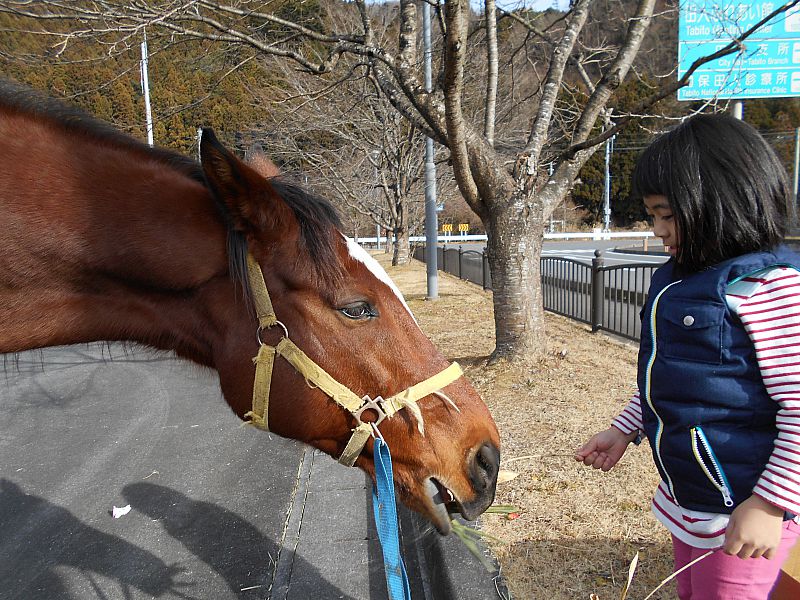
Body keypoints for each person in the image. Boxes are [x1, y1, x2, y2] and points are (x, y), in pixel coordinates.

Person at [575, 113, 800, 600]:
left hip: (747, 508)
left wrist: (769, 504)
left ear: (723, 200)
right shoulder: (678, 279)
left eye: (667, 215)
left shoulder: (769, 288)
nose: (658, 230)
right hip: (691, 501)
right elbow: (668, 380)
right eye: (653, 216)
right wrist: (624, 428)